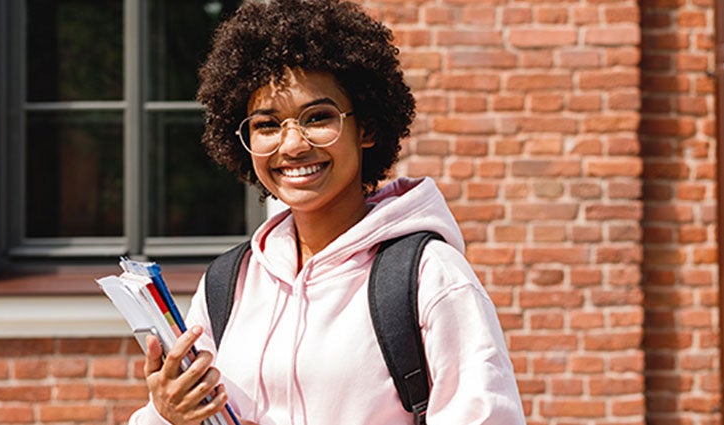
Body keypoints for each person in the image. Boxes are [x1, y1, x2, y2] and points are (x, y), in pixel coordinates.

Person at [129, 0, 525, 423]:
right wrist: (166, 414)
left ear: (367, 128)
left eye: (318, 117)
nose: (293, 144)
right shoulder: (229, 284)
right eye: (266, 124)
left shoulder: (431, 278)